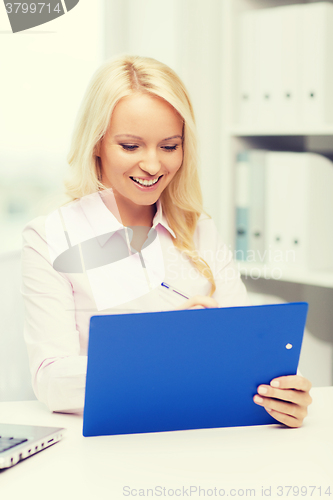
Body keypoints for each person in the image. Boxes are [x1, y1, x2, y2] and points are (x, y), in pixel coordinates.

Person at [21, 54, 312, 426]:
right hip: (108, 443)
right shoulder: (49, 237)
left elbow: (248, 351)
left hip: (202, 432)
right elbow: (51, 379)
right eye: (130, 146)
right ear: (96, 144)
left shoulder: (200, 229)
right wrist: (170, 347)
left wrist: (281, 394)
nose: (154, 165)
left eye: (169, 146)